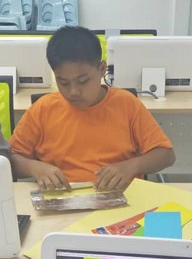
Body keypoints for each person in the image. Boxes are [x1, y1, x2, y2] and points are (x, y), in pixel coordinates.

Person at [9, 26, 175, 191]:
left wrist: (130, 167)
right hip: (61, 197)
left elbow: (166, 155)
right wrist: (35, 168)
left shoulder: (126, 104)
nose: (73, 91)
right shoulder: (43, 109)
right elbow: (10, 159)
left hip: (119, 195)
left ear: (102, 69)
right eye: (63, 83)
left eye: (83, 81)